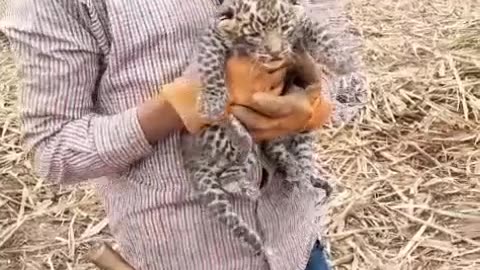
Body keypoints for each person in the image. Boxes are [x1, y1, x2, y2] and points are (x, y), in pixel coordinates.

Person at [0, 0, 366, 269]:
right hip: (184, 256)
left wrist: (318, 102)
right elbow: (55, 150)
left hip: (299, 249)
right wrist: (174, 107)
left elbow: (350, 76)